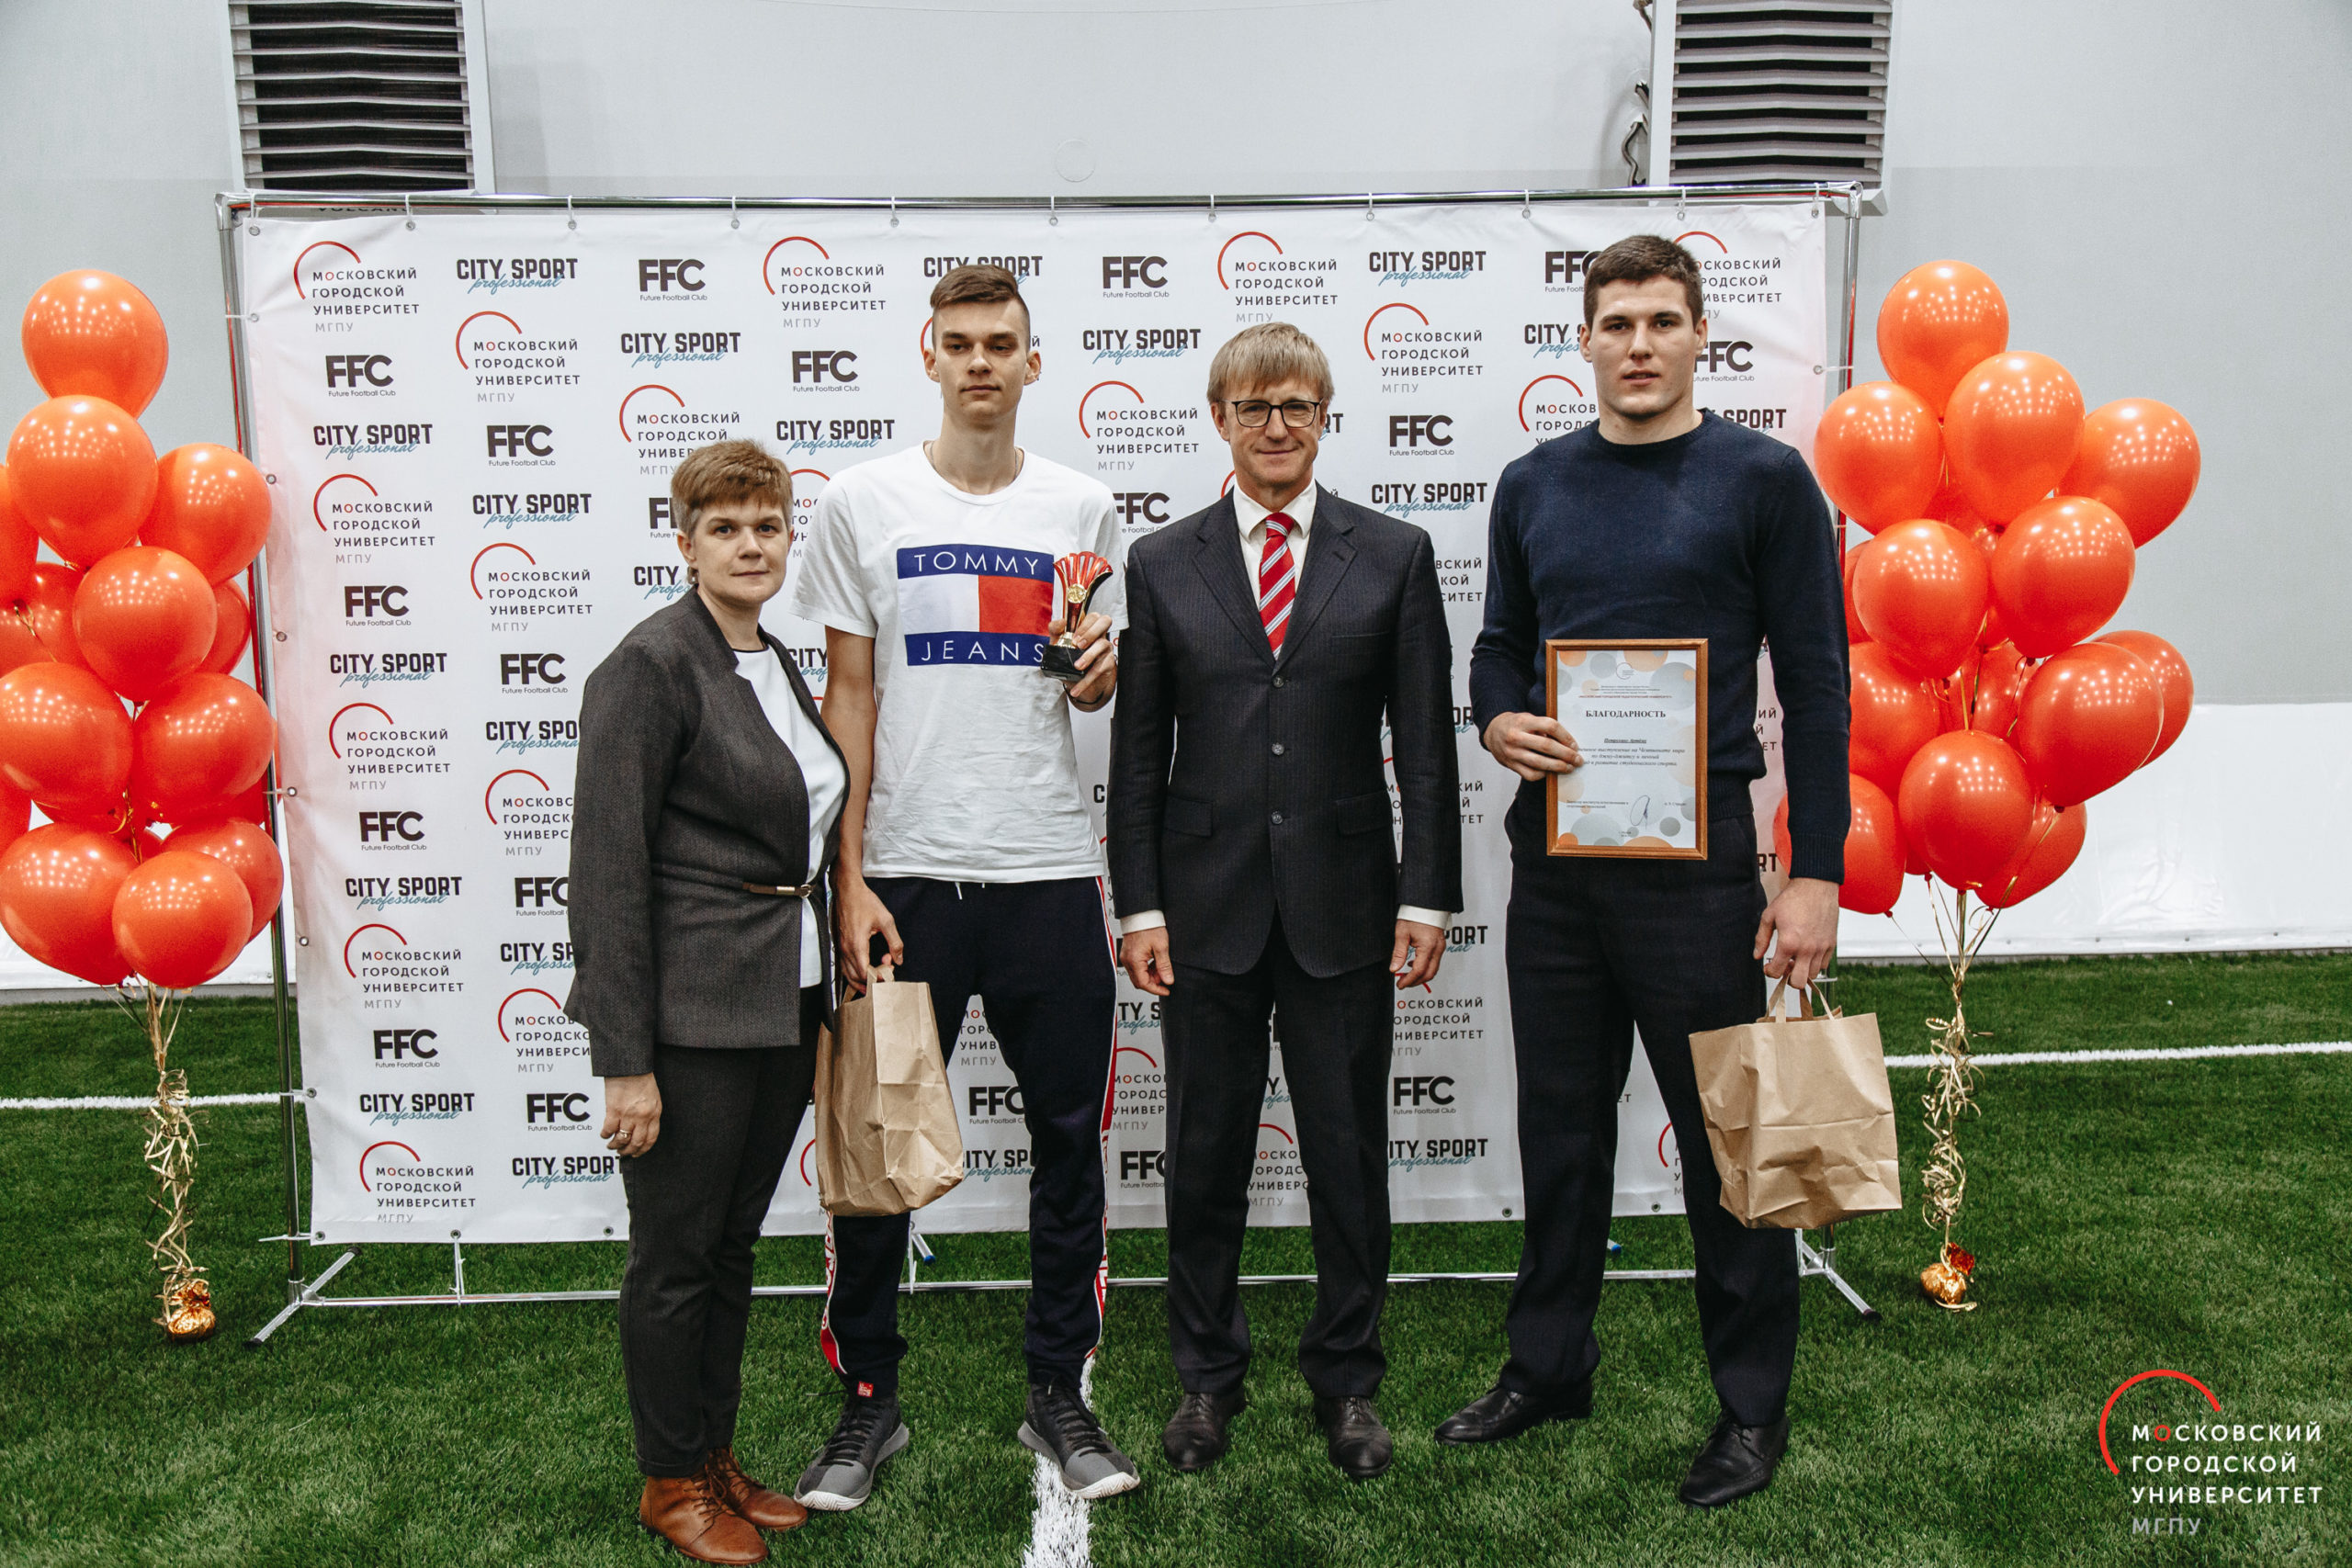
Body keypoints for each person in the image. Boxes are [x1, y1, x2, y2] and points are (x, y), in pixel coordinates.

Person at [1447, 234, 1849, 1508]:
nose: (1638, 344)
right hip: (1558, 865)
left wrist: (1817, 870)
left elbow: (1818, 684)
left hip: (1701, 871)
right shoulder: (1532, 484)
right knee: (1559, 1133)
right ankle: (1548, 1366)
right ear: (1584, 338)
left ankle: (1750, 1406)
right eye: (1616, 322)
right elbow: (1498, 646)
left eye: (1662, 320)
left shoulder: (1764, 479)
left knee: (1735, 1144)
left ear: (1698, 334)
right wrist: (1496, 719)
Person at [787, 264, 1136, 1508]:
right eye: (961, 342)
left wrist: (1099, 673)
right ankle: (866, 1400)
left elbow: (1089, 679)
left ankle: (1059, 1388)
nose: (981, 361)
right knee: (875, 1149)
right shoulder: (860, 500)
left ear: (1033, 363)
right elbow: (849, 695)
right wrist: (847, 875)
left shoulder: (1083, 505)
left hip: (1046, 868)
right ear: (928, 355)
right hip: (906, 879)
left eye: (1002, 343)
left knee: (1067, 1146)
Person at [1108, 322, 1460, 1481]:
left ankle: (1347, 1379)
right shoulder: (1161, 562)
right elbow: (1138, 755)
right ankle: (1206, 1378)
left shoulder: (1394, 554)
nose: (1275, 426)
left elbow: (1425, 745)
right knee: (1202, 1156)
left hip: (1346, 910)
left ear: (1323, 418)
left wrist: (1427, 897)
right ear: (1219, 419)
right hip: (1201, 915)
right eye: (1253, 407)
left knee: (1347, 1160)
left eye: (1297, 406)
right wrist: (1139, 907)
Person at [566, 439, 848, 1564]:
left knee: (730, 1248)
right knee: (675, 1258)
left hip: (783, 1001)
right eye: (724, 528)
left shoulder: (770, 658)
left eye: (767, 526)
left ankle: (716, 1458)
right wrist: (624, 1060)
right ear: (684, 544)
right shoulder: (649, 665)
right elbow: (606, 874)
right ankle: (669, 1479)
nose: (749, 545)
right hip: (689, 1018)